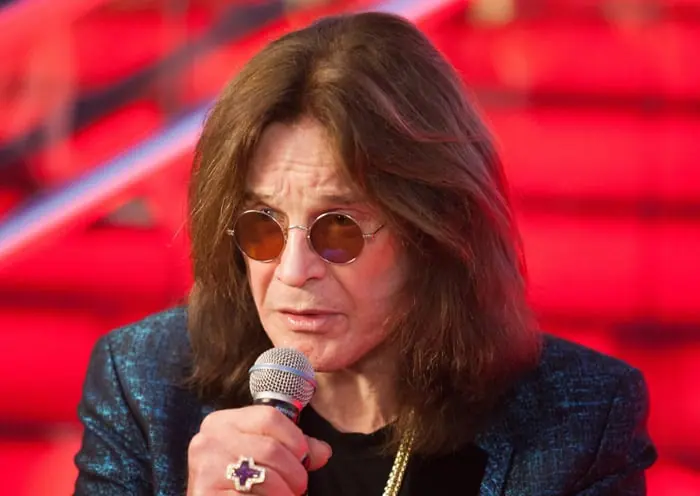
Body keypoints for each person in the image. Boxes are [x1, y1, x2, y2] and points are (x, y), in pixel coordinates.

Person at [73, 11, 657, 495]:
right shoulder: (144, 384)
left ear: (432, 233)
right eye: (262, 227)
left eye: (339, 230)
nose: (293, 272)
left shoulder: (577, 421)